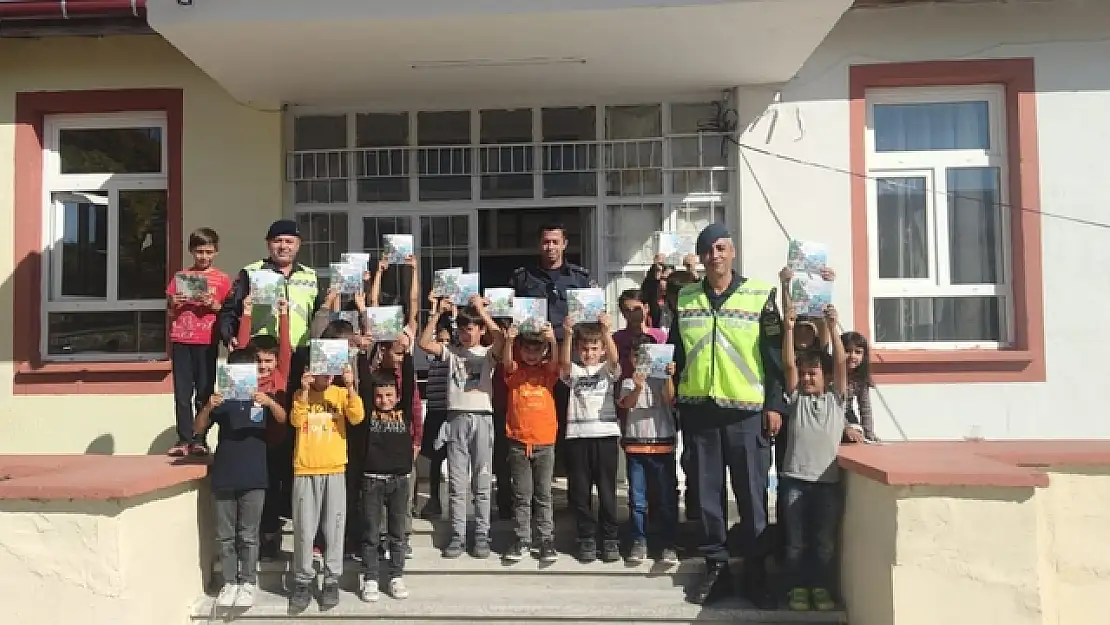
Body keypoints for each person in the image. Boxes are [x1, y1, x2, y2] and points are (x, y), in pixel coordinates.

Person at [669, 223, 787, 606]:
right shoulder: (685, 298)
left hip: (746, 412)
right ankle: (715, 568)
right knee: (706, 495)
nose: (714, 255)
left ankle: (755, 572)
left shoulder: (759, 295)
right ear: (701, 259)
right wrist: (669, 373)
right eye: (707, 250)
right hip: (699, 411)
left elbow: (773, 358)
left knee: (752, 495)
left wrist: (774, 404)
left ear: (732, 252)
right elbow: (677, 351)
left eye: (720, 248)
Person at [220, 219, 326, 558]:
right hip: (260, 361)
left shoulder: (311, 276)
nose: (284, 246)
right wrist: (232, 336)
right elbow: (229, 312)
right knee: (263, 450)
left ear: (299, 245)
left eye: (289, 241)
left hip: (299, 362)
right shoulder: (250, 272)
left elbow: (321, 317)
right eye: (278, 241)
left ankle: (303, 528)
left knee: (296, 448)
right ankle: (267, 532)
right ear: (269, 244)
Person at [194, 348, 287, 610]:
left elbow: (283, 420)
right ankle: (230, 582)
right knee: (225, 536)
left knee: (248, 535)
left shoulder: (262, 398)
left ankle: (248, 581)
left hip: (255, 477)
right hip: (224, 476)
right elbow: (198, 427)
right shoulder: (222, 401)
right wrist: (209, 405)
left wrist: (269, 402)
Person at [417, 295, 504, 559]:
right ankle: (457, 534)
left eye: (471, 329)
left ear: (479, 330)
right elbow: (422, 344)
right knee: (456, 481)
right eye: (462, 329)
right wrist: (437, 314)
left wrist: (481, 312)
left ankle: (481, 534)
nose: (466, 335)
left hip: (482, 418)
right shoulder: (452, 353)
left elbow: (501, 338)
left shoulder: (488, 354)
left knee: (482, 478)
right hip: (455, 418)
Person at [780, 304, 853, 611]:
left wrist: (833, 327)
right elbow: (788, 366)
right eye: (805, 373)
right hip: (795, 481)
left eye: (814, 374)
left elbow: (840, 363)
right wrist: (788, 327)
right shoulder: (796, 399)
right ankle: (796, 588)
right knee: (796, 544)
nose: (808, 379)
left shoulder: (837, 400)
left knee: (824, 545)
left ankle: (821, 589)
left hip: (827, 484)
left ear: (825, 378)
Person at [510, 223, 593, 476]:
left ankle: (572, 488)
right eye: (546, 242)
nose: (550, 247)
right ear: (539, 244)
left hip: (570, 358)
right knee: (531, 417)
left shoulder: (580, 278)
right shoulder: (524, 277)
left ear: (564, 244)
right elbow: (508, 313)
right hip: (533, 360)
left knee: (572, 419)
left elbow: (591, 319)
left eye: (555, 242)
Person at [288, 363, 365, 613]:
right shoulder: (302, 395)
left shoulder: (341, 394)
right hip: (305, 469)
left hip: (334, 469)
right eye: (322, 370)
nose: (327, 376)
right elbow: (295, 420)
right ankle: (302, 581)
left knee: (334, 528)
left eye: (331, 371)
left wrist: (351, 385)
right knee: (304, 529)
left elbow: (357, 416)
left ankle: (331, 580)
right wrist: (304, 391)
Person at [560, 313, 622, 564]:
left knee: (607, 491)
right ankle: (586, 537)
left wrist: (606, 331)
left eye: (594, 348)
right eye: (584, 349)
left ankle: (609, 539)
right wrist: (567, 333)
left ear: (602, 350)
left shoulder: (607, 370)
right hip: (577, 436)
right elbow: (563, 364)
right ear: (578, 349)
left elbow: (616, 360)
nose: (589, 353)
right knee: (581, 491)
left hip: (605, 435)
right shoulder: (573, 370)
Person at [235, 298, 293, 559]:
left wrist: (284, 314)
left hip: (277, 444)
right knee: (254, 492)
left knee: (274, 491)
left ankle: (271, 538)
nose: (263, 366)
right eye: (259, 361)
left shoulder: (280, 375)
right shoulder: (246, 377)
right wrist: (246, 313)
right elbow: (244, 347)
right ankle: (253, 537)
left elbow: (285, 350)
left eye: (268, 361)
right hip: (252, 444)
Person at [166, 227, 232, 457]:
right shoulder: (180, 277)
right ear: (191, 251)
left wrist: (215, 305)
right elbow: (170, 311)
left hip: (207, 341)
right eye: (199, 252)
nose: (203, 256)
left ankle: (200, 439)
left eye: (208, 252)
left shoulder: (222, 279)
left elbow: (229, 311)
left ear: (216, 252)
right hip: (182, 339)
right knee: (182, 393)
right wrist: (175, 302)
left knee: (204, 391)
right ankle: (183, 439)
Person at [500, 322, 561, 564]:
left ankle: (545, 539)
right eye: (527, 350)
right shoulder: (515, 372)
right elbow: (506, 363)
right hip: (518, 441)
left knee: (543, 494)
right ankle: (522, 538)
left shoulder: (547, 372)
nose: (532, 355)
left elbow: (557, 363)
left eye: (537, 350)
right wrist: (509, 340)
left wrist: (553, 339)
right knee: (522, 494)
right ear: (520, 350)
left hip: (545, 441)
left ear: (544, 351)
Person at [358, 372, 418, 603]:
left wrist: (409, 353)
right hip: (372, 480)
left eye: (389, 395)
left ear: (397, 396)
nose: (384, 400)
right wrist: (363, 353)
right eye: (380, 396)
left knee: (397, 533)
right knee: (372, 533)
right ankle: (371, 577)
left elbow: (410, 384)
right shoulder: (368, 414)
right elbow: (364, 388)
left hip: (400, 481)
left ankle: (396, 575)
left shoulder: (403, 413)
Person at [617, 348, 680, 566]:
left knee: (666, 498)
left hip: (662, 446)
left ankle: (668, 544)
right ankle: (638, 540)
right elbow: (627, 404)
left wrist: (669, 376)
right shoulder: (627, 381)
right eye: (638, 357)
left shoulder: (662, 379)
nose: (643, 362)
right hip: (636, 448)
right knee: (637, 500)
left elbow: (670, 399)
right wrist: (637, 385)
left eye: (647, 357)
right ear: (632, 359)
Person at [420, 318, 453, 519]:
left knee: (455, 458)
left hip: (450, 412)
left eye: (447, 340)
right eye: (440, 340)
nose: (443, 345)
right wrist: (434, 312)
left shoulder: (453, 358)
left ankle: (456, 500)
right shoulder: (432, 358)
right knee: (434, 459)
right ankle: (434, 500)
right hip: (434, 412)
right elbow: (424, 340)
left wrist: (456, 313)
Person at [841, 331, 876, 442]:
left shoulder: (860, 378)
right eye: (847, 351)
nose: (852, 356)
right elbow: (832, 409)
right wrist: (845, 427)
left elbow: (865, 408)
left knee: (858, 436)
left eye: (858, 352)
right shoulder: (831, 376)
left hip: (848, 418)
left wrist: (868, 434)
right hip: (831, 419)